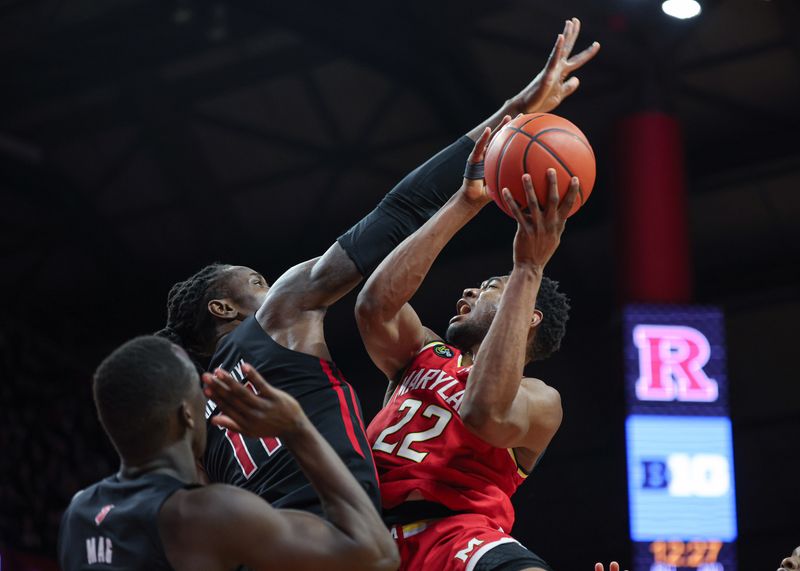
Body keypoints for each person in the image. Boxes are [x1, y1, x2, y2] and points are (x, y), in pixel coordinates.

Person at [157, 18, 600, 514]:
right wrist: (504, 121)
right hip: (341, 534)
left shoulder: (189, 416)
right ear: (222, 308)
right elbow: (397, 212)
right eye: (257, 281)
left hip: (273, 543)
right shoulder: (281, 315)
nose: (273, 285)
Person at [352, 114, 578, 569]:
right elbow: (374, 306)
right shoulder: (422, 353)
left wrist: (526, 269)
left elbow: (483, 410)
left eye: (488, 287)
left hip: (457, 535)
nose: (468, 292)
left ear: (527, 312)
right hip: (364, 539)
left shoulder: (539, 401)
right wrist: (462, 203)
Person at [58, 335, 398, 571]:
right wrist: (297, 427)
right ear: (187, 414)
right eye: (197, 391)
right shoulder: (204, 514)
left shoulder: (79, 511)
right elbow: (376, 555)